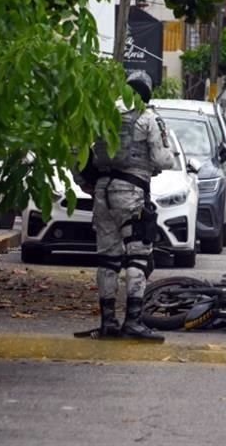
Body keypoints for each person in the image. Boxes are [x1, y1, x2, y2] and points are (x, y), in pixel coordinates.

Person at [74, 70, 180, 341]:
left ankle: (107, 322)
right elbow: (163, 160)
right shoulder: (148, 117)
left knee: (107, 258)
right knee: (138, 254)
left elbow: (78, 151)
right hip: (132, 192)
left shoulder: (103, 116)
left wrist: (85, 182)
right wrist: (164, 158)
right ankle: (133, 321)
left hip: (102, 192)